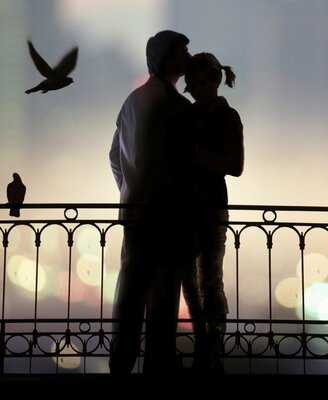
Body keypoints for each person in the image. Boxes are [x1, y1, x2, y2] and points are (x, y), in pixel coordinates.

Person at [108, 30, 193, 374]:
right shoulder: (177, 107)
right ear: (169, 58)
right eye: (183, 52)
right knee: (163, 297)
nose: (188, 57)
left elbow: (114, 155)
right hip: (166, 214)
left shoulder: (132, 101)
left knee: (129, 294)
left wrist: (128, 189)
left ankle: (120, 363)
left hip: (133, 212)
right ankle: (156, 366)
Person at [180, 52, 244, 373]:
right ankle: (206, 343)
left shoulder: (226, 117)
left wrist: (196, 156)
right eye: (192, 85)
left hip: (210, 208)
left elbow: (236, 166)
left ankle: (211, 348)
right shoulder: (190, 115)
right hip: (187, 208)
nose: (196, 90)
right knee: (190, 281)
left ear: (215, 82)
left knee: (210, 279)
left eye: (200, 84)